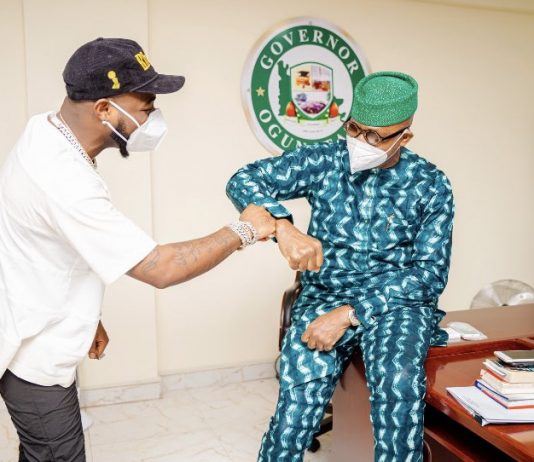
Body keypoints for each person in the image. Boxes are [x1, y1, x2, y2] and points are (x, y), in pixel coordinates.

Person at [0, 37, 275, 462]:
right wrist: (244, 230)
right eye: (146, 106)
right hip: (34, 360)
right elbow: (160, 267)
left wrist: (85, 315)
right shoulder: (62, 178)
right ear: (103, 109)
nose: (153, 117)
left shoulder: (46, 131)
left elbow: (51, 243)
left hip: (38, 328)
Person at [226, 71, 454, 461]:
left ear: (404, 137)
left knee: (398, 393)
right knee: (294, 414)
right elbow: (243, 179)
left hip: (395, 305)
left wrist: (350, 315)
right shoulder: (326, 160)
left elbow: (429, 275)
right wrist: (282, 227)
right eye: (354, 129)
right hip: (324, 295)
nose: (360, 142)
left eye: (375, 137)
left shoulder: (430, 184)